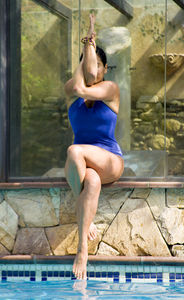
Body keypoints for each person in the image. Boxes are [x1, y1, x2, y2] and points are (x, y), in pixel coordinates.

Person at [64, 14, 124, 280]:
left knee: (74, 150)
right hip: (86, 168)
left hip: (109, 158)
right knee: (93, 182)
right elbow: (78, 82)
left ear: (106, 69)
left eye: (99, 66)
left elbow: (84, 84)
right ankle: (82, 244)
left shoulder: (110, 89)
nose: (94, 71)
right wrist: (87, 47)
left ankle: (82, 252)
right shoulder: (73, 90)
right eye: (90, 65)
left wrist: (90, 41)